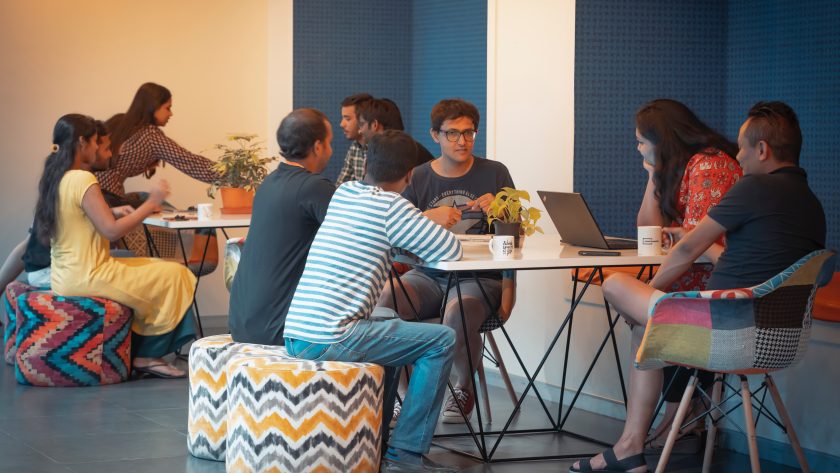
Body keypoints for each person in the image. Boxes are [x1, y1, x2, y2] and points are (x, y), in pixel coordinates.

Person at [570, 101, 826, 473]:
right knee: (646, 324)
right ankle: (641, 441)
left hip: (724, 333)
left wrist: (649, 295)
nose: (735, 157)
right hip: (780, 341)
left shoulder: (753, 189)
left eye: (740, 148)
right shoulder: (811, 204)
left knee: (617, 285)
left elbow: (690, 247)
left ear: (762, 150)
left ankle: (629, 447)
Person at [284, 130, 463, 473]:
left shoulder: (344, 193)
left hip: (298, 332)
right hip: (332, 339)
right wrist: (433, 218)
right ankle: (406, 454)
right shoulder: (394, 207)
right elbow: (449, 250)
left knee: (385, 314)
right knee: (442, 340)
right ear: (410, 175)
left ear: (365, 164)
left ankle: (378, 438)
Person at [377, 98, 515, 423]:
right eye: (452, 133)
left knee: (459, 310)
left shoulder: (495, 173)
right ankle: (403, 395)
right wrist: (428, 215)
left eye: (469, 133)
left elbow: (516, 235)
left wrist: (502, 209)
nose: (462, 141)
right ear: (435, 135)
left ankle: (462, 389)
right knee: (387, 299)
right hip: (428, 274)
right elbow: (397, 228)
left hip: (480, 277)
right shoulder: (420, 176)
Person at [35, 114, 197, 379]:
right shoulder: (82, 178)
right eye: (98, 143)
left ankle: (142, 350)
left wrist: (112, 210)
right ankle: (147, 354)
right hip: (89, 275)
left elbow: (81, 217)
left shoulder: (58, 176)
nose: (101, 149)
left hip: (67, 275)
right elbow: (110, 231)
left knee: (160, 266)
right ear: (82, 141)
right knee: (175, 274)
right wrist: (149, 203)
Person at [633, 99, 742, 451]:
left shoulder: (710, 165)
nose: (638, 148)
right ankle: (678, 414)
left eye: (641, 141)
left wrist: (652, 287)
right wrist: (653, 177)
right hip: (693, 279)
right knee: (642, 316)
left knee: (645, 316)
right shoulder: (681, 165)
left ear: (662, 138)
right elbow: (648, 229)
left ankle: (674, 418)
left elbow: (697, 243)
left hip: (719, 286)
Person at [228, 108, 335, 344]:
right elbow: (352, 240)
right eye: (329, 142)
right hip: (278, 329)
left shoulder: (268, 183)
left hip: (241, 323)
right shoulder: (315, 187)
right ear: (318, 147)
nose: (331, 150)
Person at [0, 119, 122, 292]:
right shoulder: (79, 182)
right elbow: (110, 230)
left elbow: (29, 242)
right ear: (83, 145)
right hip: (58, 270)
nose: (109, 155)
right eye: (104, 147)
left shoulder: (58, 179)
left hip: (46, 269)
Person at [96, 82, 218, 207]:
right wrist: (229, 175)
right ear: (153, 107)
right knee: (164, 209)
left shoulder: (120, 121)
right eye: (167, 108)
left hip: (90, 194)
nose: (171, 114)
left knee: (146, 198)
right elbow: (190, 162)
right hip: (108, 201)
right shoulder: (151, 136)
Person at [335, 93, 373, 186]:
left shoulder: (380, 150)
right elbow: (340, 186)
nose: (341, 124)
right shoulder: (354, 147)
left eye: (347, 119)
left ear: (363, 119)